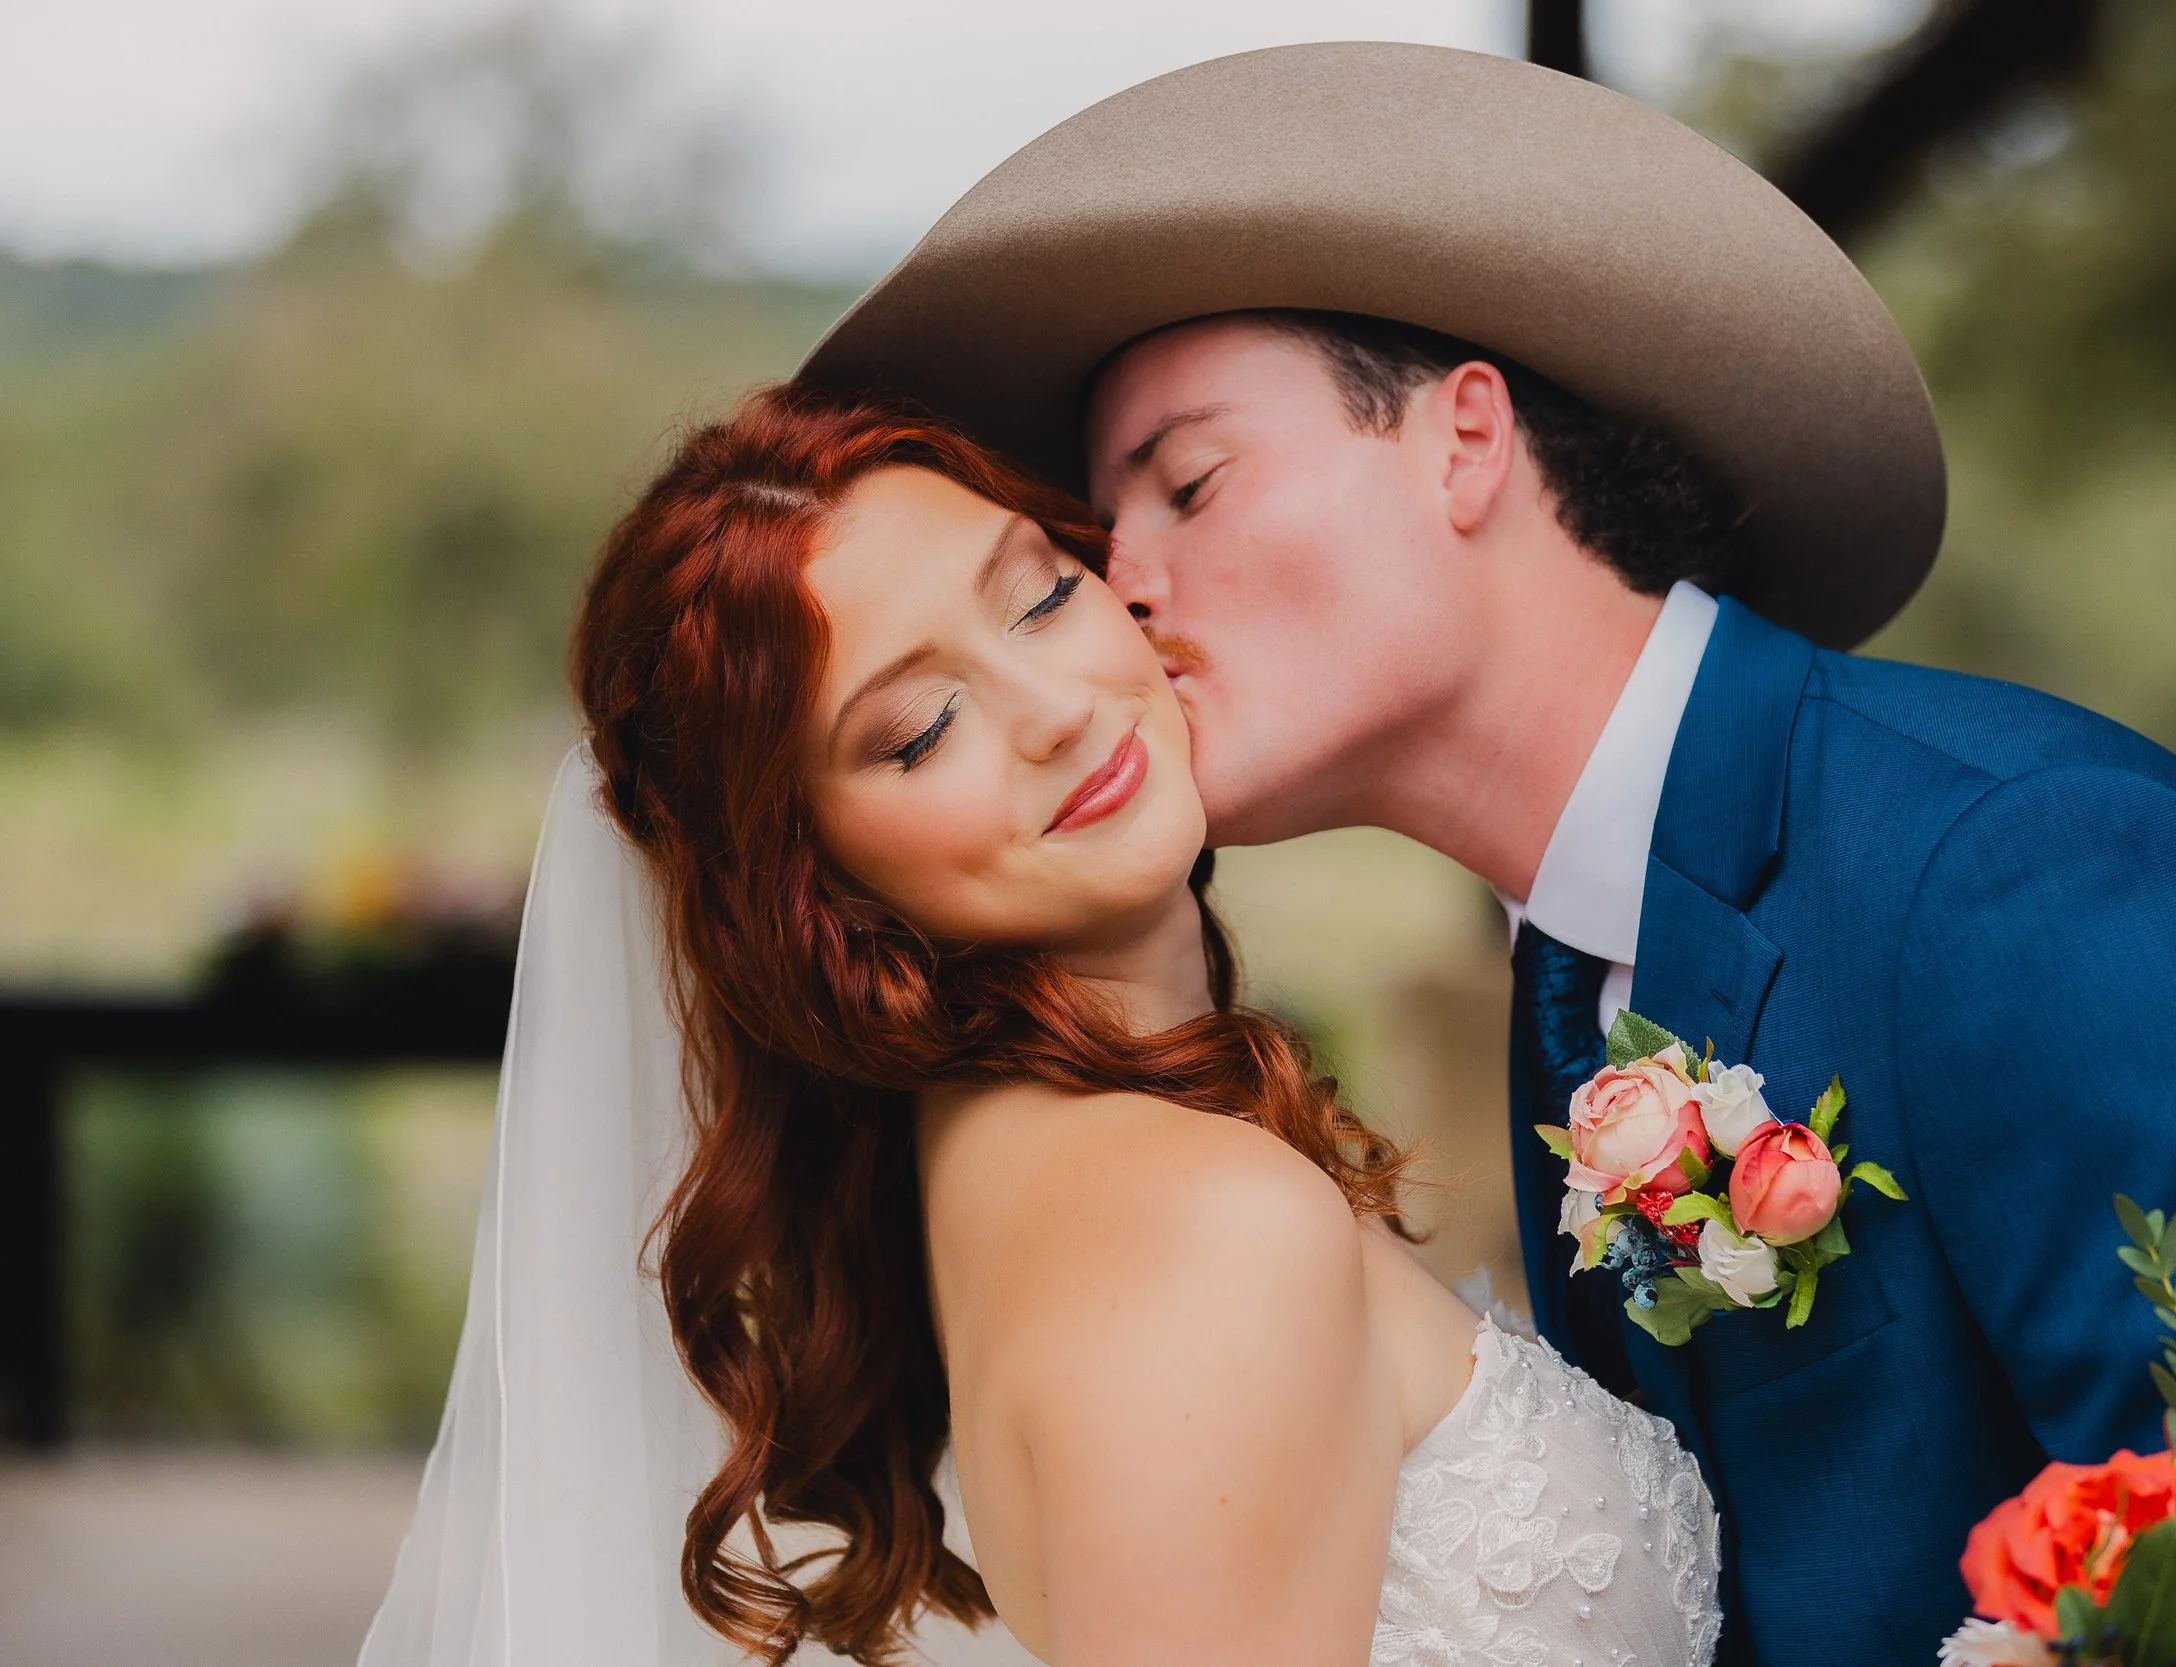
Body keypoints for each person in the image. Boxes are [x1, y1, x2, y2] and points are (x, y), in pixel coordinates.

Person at [792, 40, 2176, 1667]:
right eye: (1100, 538)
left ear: (1465, 437)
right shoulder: (1576, 975)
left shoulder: (2029, 869)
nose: (1127, 594)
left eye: (1188, 484)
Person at [361, 384, 1721, 1667]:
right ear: (813, 880)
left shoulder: (1009, 1157)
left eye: (1040, 596)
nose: (1057, 710)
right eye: (919, 729)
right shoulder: (1195, 1225)